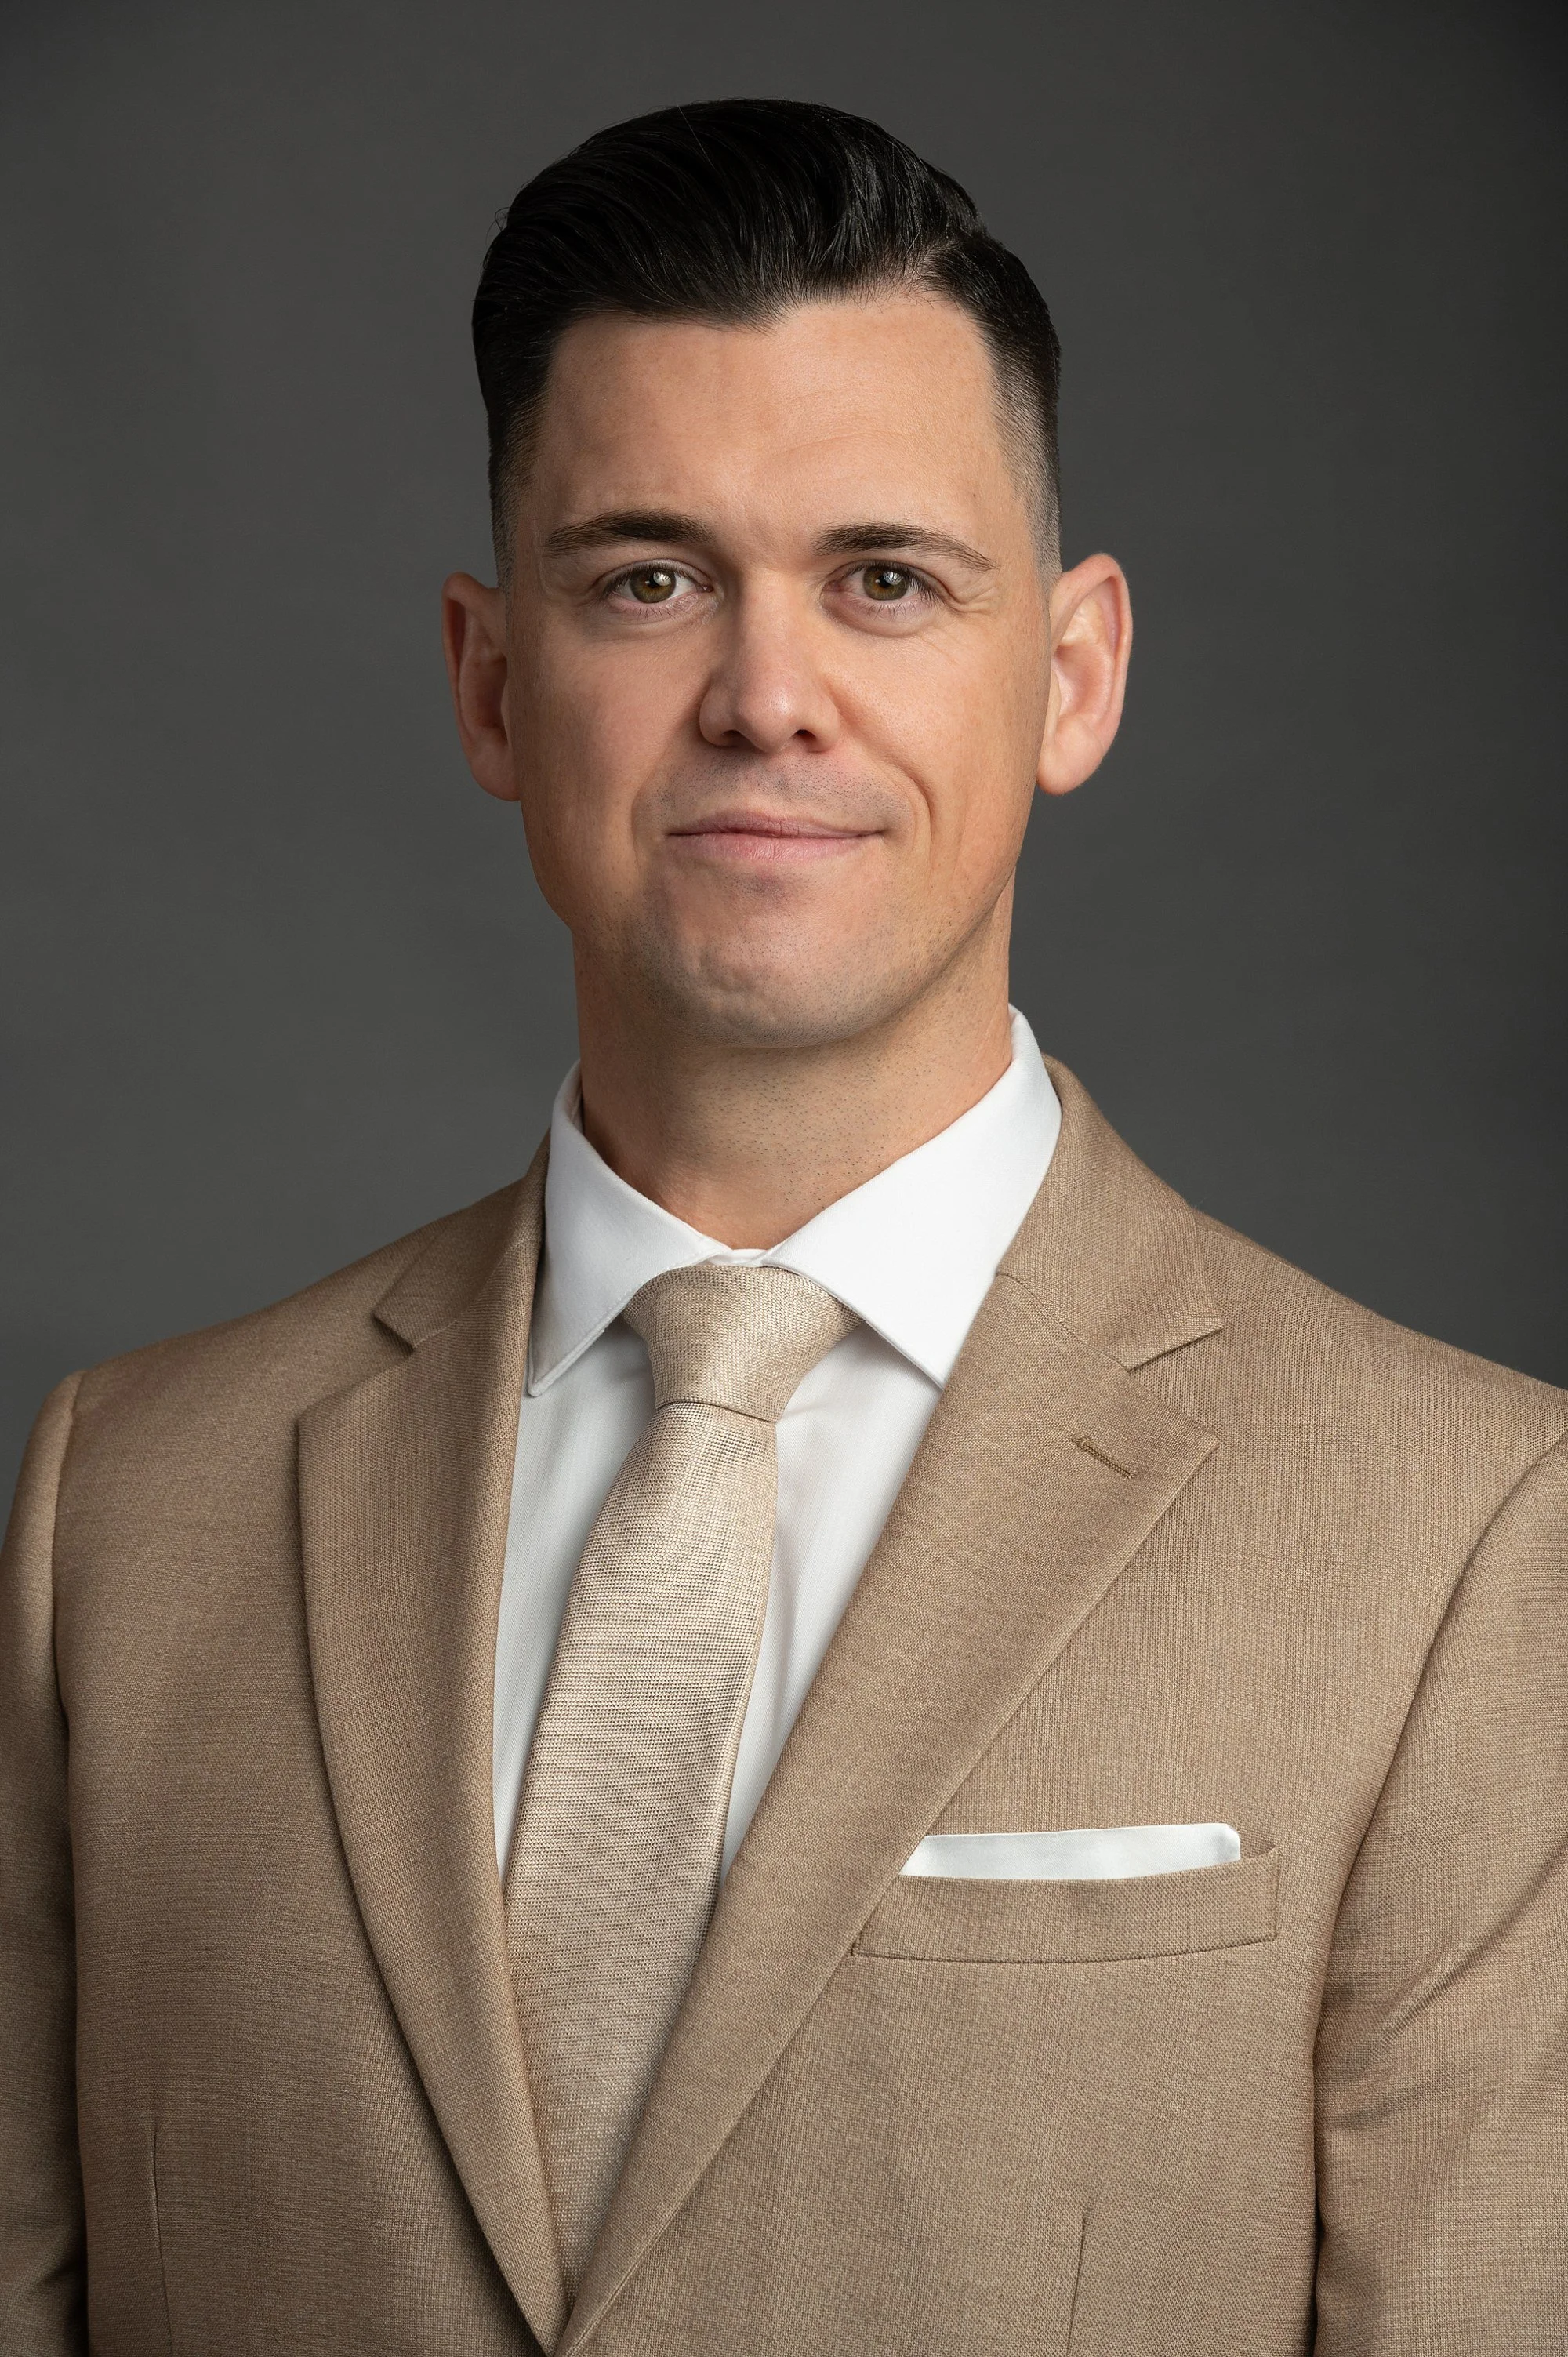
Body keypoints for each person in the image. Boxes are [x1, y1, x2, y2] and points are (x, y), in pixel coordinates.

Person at [2, 96, 1564, 2357]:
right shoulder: (119, 1515)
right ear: (489, 679)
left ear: (1076, 672)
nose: (764, 692)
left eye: (887, 577)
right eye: (647, 575)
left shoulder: (1465, 1540)